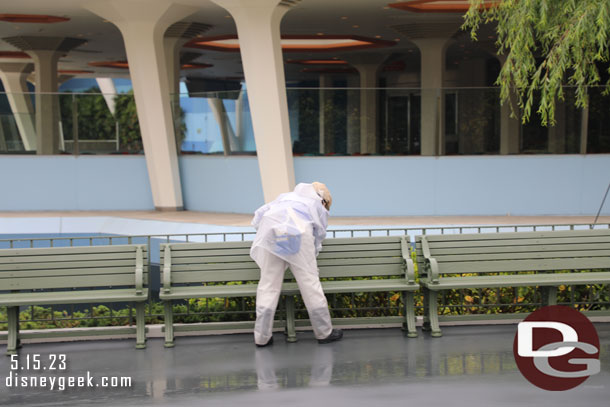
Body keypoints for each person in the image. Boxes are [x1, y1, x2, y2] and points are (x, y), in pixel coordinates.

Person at [250, 182, 343, 347]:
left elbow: (259, 216)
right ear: (323, 200)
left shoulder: (285, 197)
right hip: (299, 232)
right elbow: (319, 232)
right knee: (310, 283)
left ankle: (261, 337)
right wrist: (311, 257)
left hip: (271, 231)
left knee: (268, 284)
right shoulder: (316, 204)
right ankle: (324, 332)